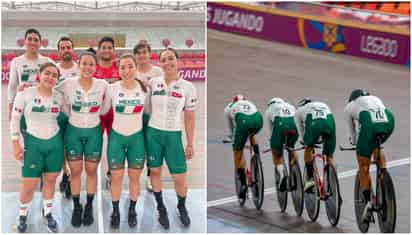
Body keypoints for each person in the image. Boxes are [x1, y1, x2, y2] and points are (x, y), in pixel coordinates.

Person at [55, 50, 110, 227]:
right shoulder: (68, 83)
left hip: (94, 132)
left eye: (91, 64)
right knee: (76, 172)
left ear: (96, 67)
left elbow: (106, 106)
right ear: (78, 65)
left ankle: (89, 206)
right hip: (73, 133)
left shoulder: (103, 84)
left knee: (92, 172)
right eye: (84, 63)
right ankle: (77, 206)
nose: (87, 67)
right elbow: (50, 90)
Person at [11, 63, 67, 233]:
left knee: (50, 181)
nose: (50, 77)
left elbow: (68, 117)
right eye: (47, 73)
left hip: (55, 144)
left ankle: (48, 213)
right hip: (33, 144)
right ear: (39, 75)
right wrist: (15, 143)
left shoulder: (60, 97)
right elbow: (15, 118)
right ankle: (22, 215)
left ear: (57, 79)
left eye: (54, 75)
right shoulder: (25, 94)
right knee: (29, 184)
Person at [146, 48, 197, 229]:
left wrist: (190, 143)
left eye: (171, 59)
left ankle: (181, 207)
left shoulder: (188, 87)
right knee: (155, 172)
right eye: (164, 59)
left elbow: (189, 117)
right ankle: (161, 207)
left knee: (180, 178)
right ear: (160, 63)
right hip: (153, 134)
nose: (167, 63)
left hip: (174, 136)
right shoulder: (153, 83)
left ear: (178, 61)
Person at [106, 54, 148, 228]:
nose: (126, 70)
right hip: (116, 138)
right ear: (118, 70)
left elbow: (150, 113)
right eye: (122, 67)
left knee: (134, 178)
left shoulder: (145, 89)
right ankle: (115, 211)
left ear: (135, 68)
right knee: (116, 178)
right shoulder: (112, 88)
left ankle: (132, 210)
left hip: (137, 139)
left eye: (130, 66)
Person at [344, 89, 395, 222]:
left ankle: (368, 202)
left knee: (363, 165)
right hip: (389, 121)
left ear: (352, 99)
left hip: (369, 125)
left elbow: (353, 134)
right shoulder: (376, 98)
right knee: (377, 144)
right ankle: (383, 174)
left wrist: (355, 143)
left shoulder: (350, 106)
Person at [133, 42, 164, 192]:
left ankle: (150, 176)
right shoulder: (131, 71)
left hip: (153, 117)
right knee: (134, 147)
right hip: (135, 117)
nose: (141, 55)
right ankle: (112, 173)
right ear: (135, 56)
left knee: (152, 149)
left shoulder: (158, 72)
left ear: (149, 54)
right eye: (138, 53)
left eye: (144, 52)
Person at [8, 28, 54, 119]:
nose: (32, 42)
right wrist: (11, 107)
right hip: (23, 106)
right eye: (29, 39)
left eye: (36, 40)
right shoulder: (16, 61)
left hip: (42, 107)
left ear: (40, 44)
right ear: (25, 42)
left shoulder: (47, 61)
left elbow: (56, 82)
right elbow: (12, 86)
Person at [223, 95, 263, 200]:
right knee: (252, 133)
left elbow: (232, 130)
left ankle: (243, 183)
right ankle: (257, 156)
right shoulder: (250, 102)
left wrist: (235, 140)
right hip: (258, 120)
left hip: (242, 122)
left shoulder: (229, 108)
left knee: (237, 150)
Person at [94, 36, 121, 188]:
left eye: (109, 48)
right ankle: (94, 175)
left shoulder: (120, 69)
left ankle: (111, 173)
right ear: (98, 51)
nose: (106, 50)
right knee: (95, 147)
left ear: (114, 51)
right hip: (97, 115)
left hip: (115, 116)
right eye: (103, 47)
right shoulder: (93, 69)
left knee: (114, 147)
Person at [295, 98, 336, 192]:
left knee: (308, 149)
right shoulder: (322, 104)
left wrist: (306, 142)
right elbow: (323, 122)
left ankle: (310, 180)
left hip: (314, 124)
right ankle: (334, 180)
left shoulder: (299, 111)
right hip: (329, 122)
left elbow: (301, 132)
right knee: (329, 156)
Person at [56, 36, 79, 198]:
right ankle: (67, 173)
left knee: (73, 149)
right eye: (62, 48)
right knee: (62, 148)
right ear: (59, 51)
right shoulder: (54, 69)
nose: (66, 50)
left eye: (68, 47)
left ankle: (69, 177)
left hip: (77, 116)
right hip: (59, 114)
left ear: (73, 50)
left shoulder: (80, 68)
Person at [264, 97, 299, 191]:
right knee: (291, 147)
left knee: (276, 154)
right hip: (293, 127)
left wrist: (274, 145)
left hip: (280, 127)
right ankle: (295, 170)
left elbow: (271, 131)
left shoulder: (269, 110)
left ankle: (283, 174)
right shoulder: (290, 106)